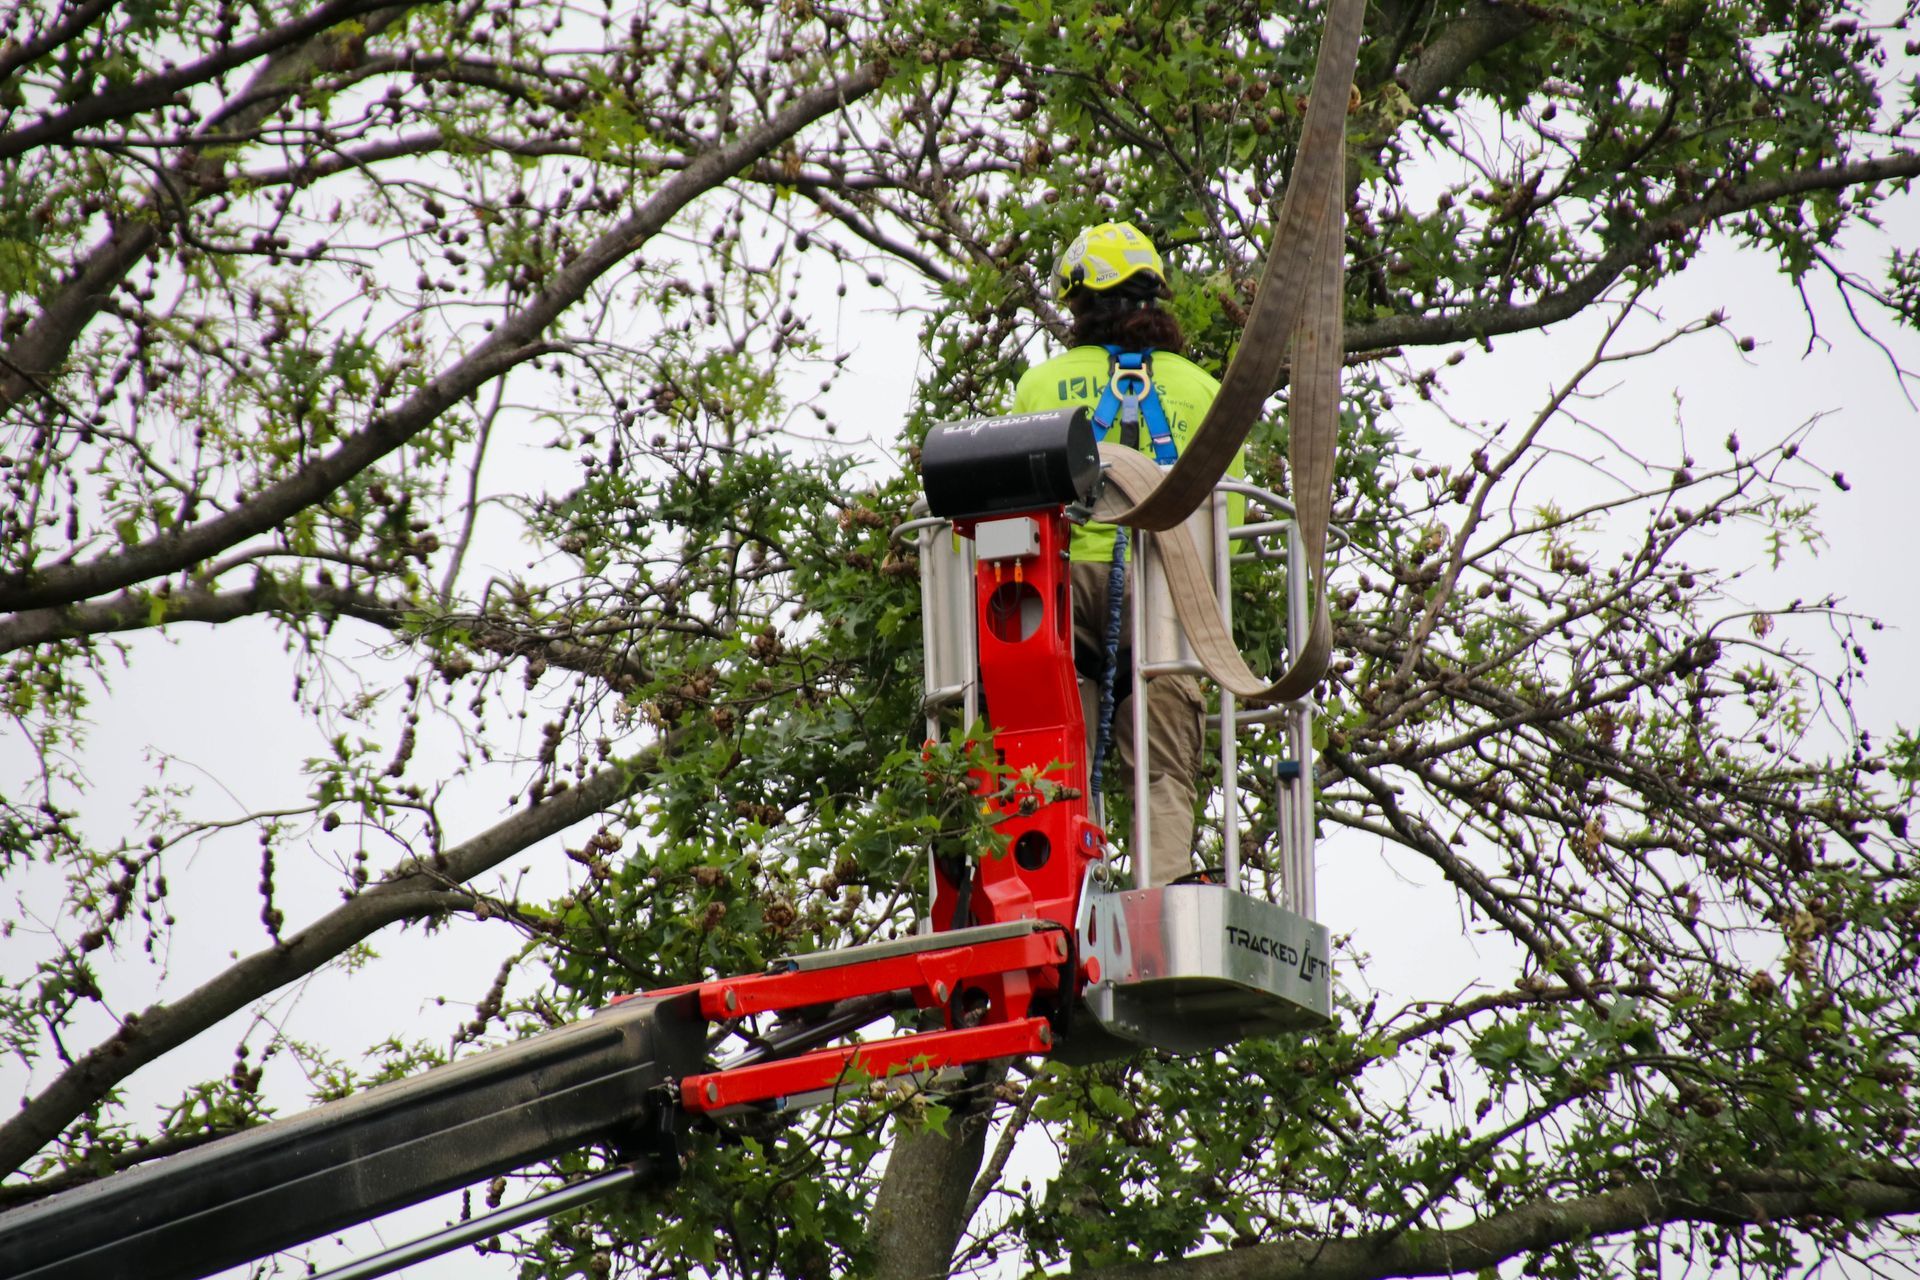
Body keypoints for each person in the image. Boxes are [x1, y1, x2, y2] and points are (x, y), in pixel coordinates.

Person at [1012, 221, 1240, 887]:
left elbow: (1024, 503)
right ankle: (1164, 891)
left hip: (1061, 587)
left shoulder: (1040, 388)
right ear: (1156, 305)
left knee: (1054, 756)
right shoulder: (1203, 390)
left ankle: (1057, 890)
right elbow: (1232, 519)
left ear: (1080, 307)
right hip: (1172, 593)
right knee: (1165, 763)